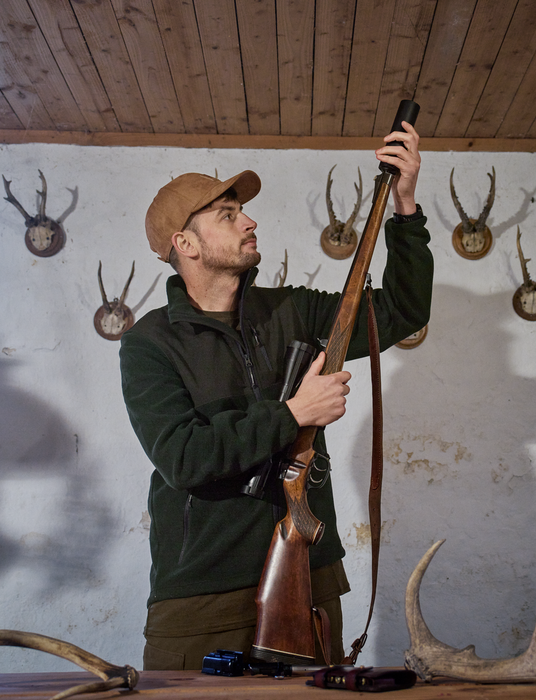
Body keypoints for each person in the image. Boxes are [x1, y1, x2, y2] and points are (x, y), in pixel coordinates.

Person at [119, 122, 433, 670]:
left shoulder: (293, 309)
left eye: (242, 211)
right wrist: (294, 413)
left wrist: (404, 209)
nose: (250, 221)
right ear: (185, 245)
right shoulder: (149, 342)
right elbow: (183, 457)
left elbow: (401, 312)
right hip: (202, 592)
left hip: (310, 573)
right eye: (227, 215)